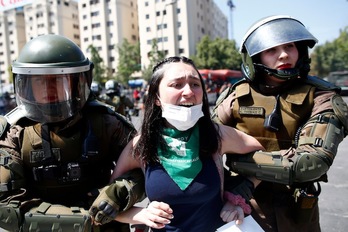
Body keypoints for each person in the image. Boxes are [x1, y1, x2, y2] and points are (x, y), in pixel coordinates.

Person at [93, 56, 264, 231]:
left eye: (195, 84)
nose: (189, 91)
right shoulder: (142, 144)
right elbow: (107, 203)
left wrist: (236, 198)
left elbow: (263, 160)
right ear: (156, 97)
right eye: (177, 85)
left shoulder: (218, 135)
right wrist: (138, 214)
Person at [212, 15, 348, 232]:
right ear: (255, 58)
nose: (284, 54)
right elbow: (205, 144)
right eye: (271, 50)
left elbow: (311, 162)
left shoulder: (321, 96)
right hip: (245, 209)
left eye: (290, 46)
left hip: (298, 213)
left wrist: (240, 163)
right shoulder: (235, 96)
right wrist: (233, 191)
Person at [0, 34, 144, 232]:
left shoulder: (107, 123)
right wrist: (84, 222)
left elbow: (148, 169)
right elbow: (6, 207)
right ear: (26, 85)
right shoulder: (13, 133)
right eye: (40, 81)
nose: (50, 88)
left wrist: (122, 191)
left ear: (78, 82)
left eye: (59, 80)